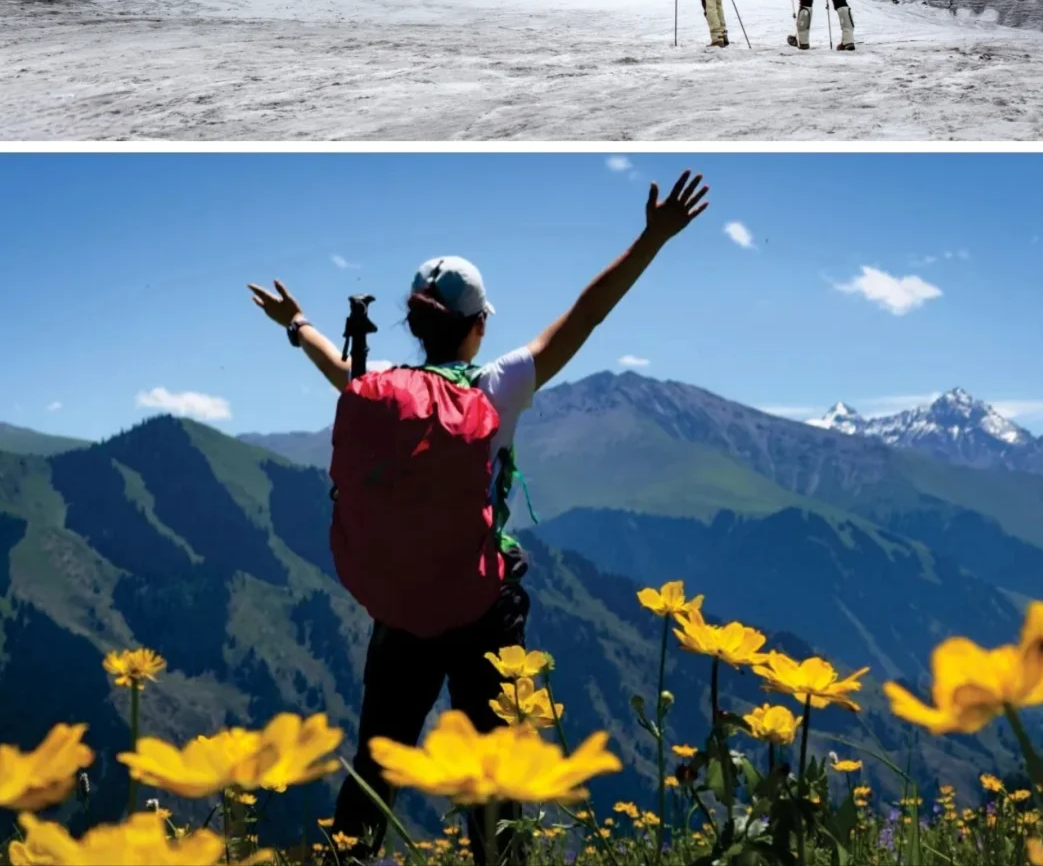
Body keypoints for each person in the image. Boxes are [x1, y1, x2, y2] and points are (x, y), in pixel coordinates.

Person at [246, 169, 709, 866]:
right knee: (494, 777)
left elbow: (331, 363)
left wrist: (298, 323)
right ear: (479, 325)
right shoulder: (501, 388)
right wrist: (651, 239)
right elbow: (588, 314)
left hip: (399, 606)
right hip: (482, 606)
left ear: (414, 322)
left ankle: (348, 857)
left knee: (377, 763)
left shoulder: (378, 391)